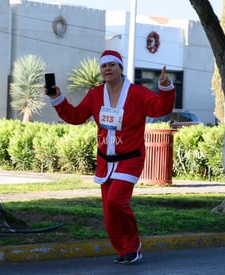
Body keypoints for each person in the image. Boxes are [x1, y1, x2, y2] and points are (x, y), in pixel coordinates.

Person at [45, 50, 175, 264]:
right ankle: (124, 250)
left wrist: (165, 88)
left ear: (120, 68)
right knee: (109, 211)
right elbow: (76, 116)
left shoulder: (137, 93)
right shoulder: (96, 95)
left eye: (112, 65)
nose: (107, 69)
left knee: (116, 200)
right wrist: (57, 98)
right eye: (104, 66)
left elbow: (161, 108)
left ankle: (133, 246)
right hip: (106, 161)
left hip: (131, 158)